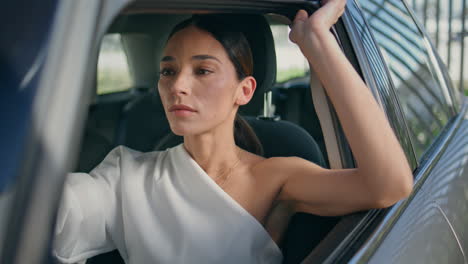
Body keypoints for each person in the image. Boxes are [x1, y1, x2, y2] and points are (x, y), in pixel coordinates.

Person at [53, 0, 413, 263]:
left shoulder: (276, 177)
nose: (178, 86)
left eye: (203, 71)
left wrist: (317, 42)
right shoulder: (126, 174)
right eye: (168, 71)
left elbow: (389, 185)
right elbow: (57, 212)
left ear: (245, 90)